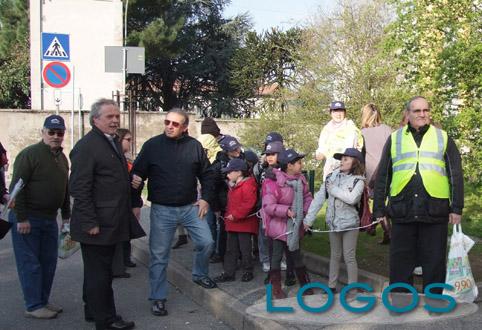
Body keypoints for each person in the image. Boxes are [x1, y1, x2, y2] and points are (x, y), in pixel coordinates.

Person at [373, 96, 463, 310]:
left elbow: (455, 175)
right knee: (401, 262)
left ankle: (435, 303)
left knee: (434, 262)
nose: (422, 114)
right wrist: (378, 208)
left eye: (426, 110)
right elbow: (383, 175)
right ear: (408, 114)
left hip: (435, 210)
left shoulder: (443, 138)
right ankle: (402, 305)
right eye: (417, 111)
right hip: (402, 209)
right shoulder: (394, 139)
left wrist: (457, 207)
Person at [131, 108, 217, 317]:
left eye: (175, 124)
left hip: (190, 208)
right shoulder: (152, 146)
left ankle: (199, 273)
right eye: (167, 122)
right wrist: (134, 178)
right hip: (162, 210)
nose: (169, 126)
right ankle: (158, 298)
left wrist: (205, 198)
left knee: (207, 242)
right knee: (159, 255)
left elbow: (207, 174)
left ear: (185, 127)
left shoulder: (194, 147)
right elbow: (137, 171)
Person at [70, 99, 137, 330]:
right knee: (100, 274)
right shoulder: (87, 146)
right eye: (109, 117)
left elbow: (110, 178)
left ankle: (93, 311)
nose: (115, 120)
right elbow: (79, 187)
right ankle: (106, 320)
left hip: (111, 220)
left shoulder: (111, 142)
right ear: (95, 119)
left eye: (117, 116)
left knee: (98, 272)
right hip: (97, 224)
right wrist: (90, 221)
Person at [8, 115, 70, 319]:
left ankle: (42, 300)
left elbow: (64, 188)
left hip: (49, 218)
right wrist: (22, 218)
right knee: (30, 263)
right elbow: (17, 188)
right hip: (29, 218)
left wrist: (66, 217)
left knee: (48, 263)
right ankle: (33, 305)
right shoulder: (30, 155)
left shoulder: (62, 158)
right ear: (43, 132)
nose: (55, 136)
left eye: (59, 133)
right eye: (51, 132)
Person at [304, 148, 366, 294]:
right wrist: (309, 219)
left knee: (349, 256)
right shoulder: (331, 177)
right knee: (335, 255)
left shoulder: (359, 180)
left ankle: (352, 289)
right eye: (341, 159)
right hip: (333, 223)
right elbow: (319, 199)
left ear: (355, 162)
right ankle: (331, 287)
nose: (342, 162)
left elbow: (352, 199)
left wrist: (333, 190)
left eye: (346, 159)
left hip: (350, 224)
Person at [262, 149, 314, 299]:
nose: (301, 165)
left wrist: (304, 212)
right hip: (279, 228)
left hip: (295, 227)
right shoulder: (273, 183)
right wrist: (286, 211)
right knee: (276, 257)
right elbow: (268, 206)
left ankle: (306, 285)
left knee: (297, 256)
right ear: (289, 166)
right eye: (298, 162)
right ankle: (275, 288)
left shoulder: (301, 179)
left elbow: (307, 198)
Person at [214, 158, 259, 283]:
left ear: (239, 172)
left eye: (229, 172)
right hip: (233, 222)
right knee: (230, 249)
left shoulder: (248, 184)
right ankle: (229, 272)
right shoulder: (234, 186)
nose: (227, 175)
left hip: (243, 223)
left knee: (245, 249)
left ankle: (247, 270)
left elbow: (248, 203)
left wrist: (235, 215)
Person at [360, 103, 393, 243]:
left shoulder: (362, 133)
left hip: (373, 172)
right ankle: (377, 228)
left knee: (378, 204)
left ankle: (388, 232)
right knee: (385, 202)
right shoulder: (388, 130)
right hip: (389, 170)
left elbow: (361, 155)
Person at [210, 135, 245, 263]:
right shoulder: (218, 166)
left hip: (240, 202)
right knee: (225, 231)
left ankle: (241, 254)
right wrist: (216, 208)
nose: (238, 151)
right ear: (226, 151)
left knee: (241, 231)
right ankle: (223, 255)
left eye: (238, 148)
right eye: (234, 149)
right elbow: (213, 188)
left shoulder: (243, 160)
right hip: (225, 203)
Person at [111, 129, 137, 279]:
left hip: (127, 203)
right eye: (128, 139)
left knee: (126, 235)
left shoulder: (125, 158)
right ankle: (117, 267)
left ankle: (123, 262)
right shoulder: (116, 158)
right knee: (119, 237)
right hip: (119, 205)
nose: (130, 142)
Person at [315, 101, 363, 180]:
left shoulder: (351, 128)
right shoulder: (326, 129)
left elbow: (355, 150)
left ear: (345, 113)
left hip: (347, 170)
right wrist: (319, 154)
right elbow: (322, 148)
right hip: (330, 170)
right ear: (331, 113)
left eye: (341, 111)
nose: (338, 114)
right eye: (335, 111)